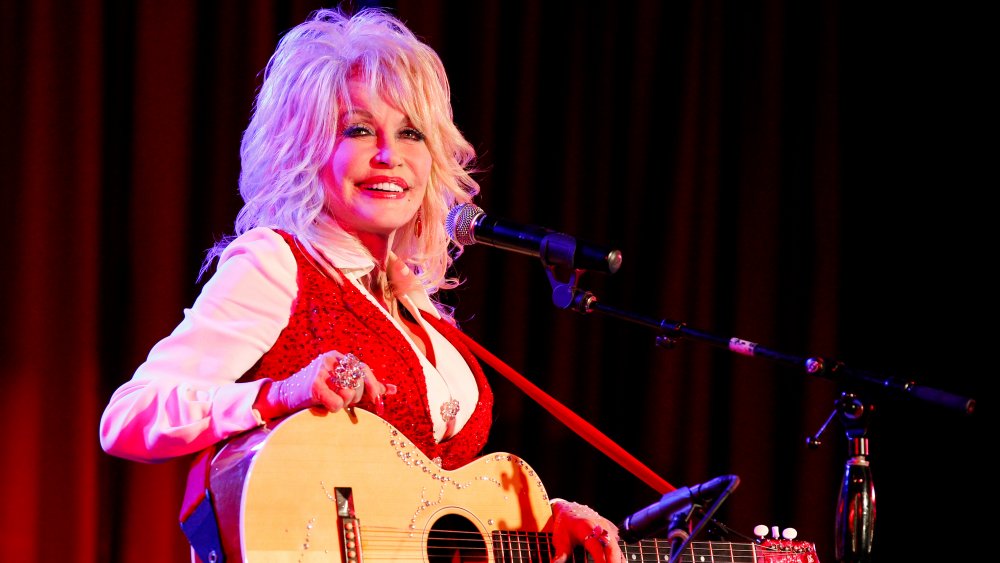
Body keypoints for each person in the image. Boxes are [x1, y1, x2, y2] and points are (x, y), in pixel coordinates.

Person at [99, 6, 624, 563]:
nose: (388, 155)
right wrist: (280, 393)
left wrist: (540, 523)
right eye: (357, 129)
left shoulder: (421, 309)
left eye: (411, 133)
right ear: (303, 147)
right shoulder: (278, 262)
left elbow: (429, 502)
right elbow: (131, 417)